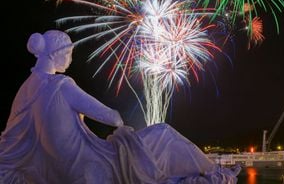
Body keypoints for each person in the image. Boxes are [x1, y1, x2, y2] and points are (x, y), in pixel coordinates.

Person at [0, 30, 240, 183]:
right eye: (69, 53)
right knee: (163, 133)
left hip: (60, 171)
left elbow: (10, 138)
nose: (71, 59)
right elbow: (113, 119)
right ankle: (218, 175)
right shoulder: (63, 85)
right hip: (91, 165)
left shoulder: (26, 91)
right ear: (56, 54)